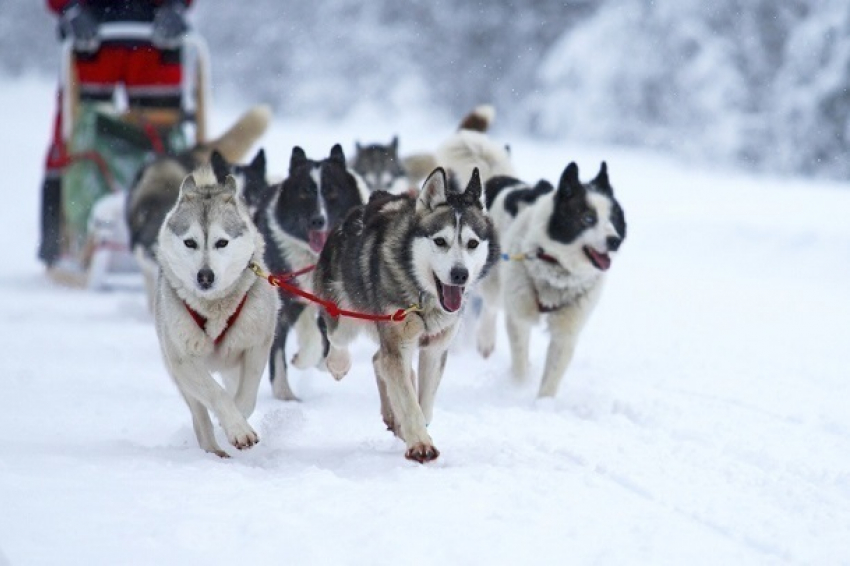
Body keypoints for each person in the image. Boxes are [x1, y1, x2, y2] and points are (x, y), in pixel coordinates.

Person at [39, 0, 193, 267]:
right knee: (76, 135)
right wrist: (70, 9)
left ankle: (181, 233)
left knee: (165, 137)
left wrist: (177, 6)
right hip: (91, 31)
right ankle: (61, 237)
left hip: (155, 36)